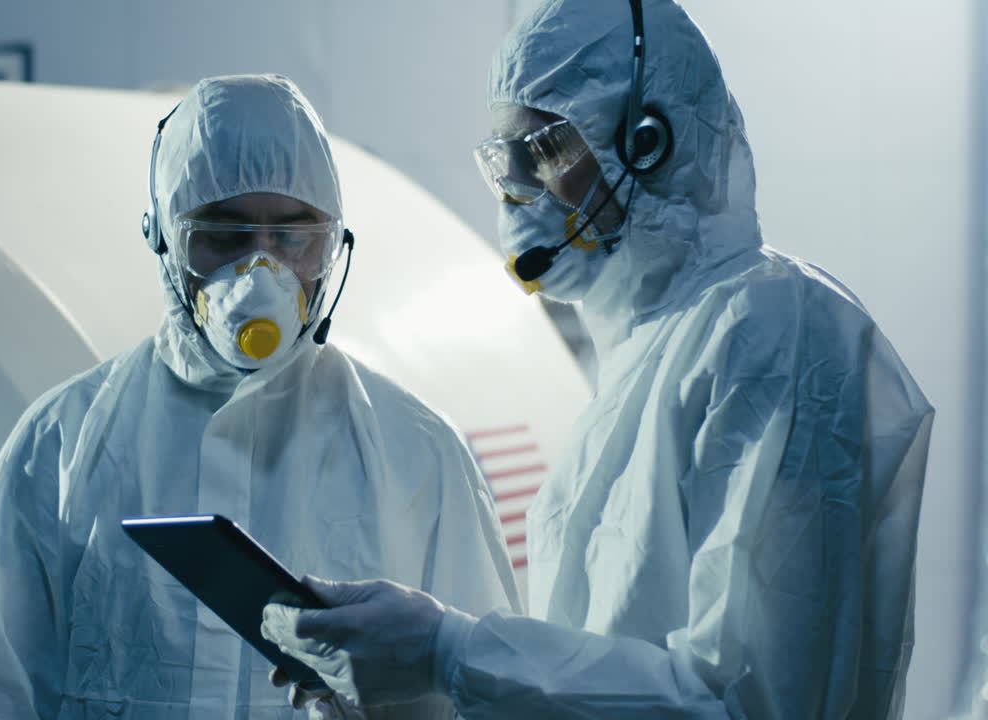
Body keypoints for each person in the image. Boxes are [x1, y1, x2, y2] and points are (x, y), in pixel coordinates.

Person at [262, 1, 933, 718]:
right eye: (505, 163)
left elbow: (751, 703)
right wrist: (406, 683)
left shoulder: (772, 332)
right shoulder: (645, 356)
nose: (520, 192)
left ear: (650, 142)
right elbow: (594, 682)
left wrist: (448, 653)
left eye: (548, 153)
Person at [0, 73, 520, 720]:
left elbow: (489, 695)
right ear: (162, 237)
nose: (260, 271)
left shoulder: (417, 452)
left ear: (333, 247)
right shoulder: (57, 448)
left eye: (295, 237)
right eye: (224, 235)